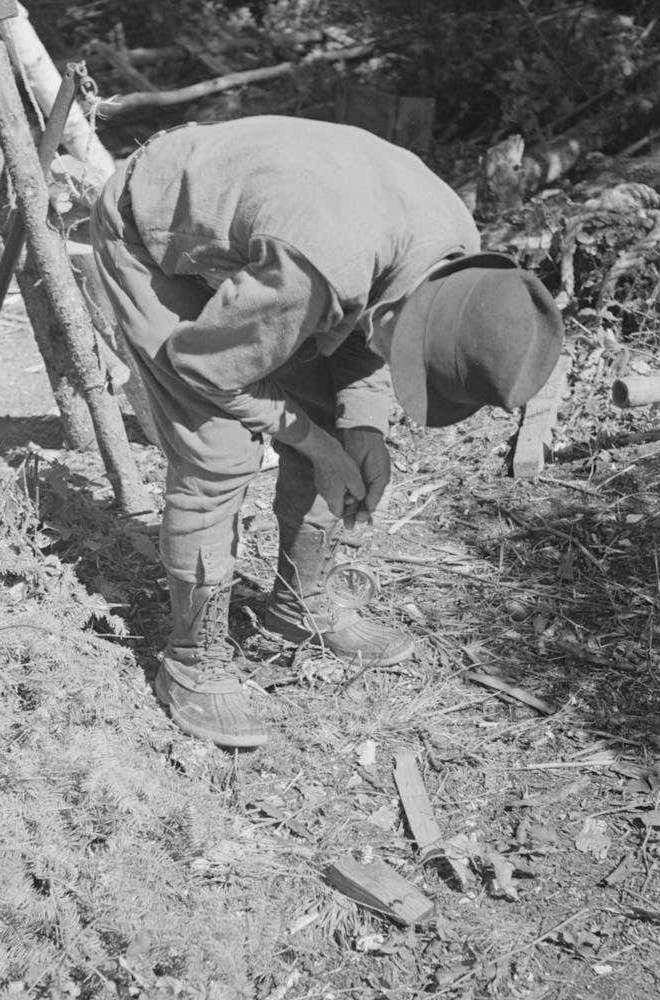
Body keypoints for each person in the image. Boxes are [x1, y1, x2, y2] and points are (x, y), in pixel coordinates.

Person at [91, 116, 563, 749]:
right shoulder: (318, 266)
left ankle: (298, 602)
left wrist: (360, 430)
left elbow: (373, 321)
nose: (399, 369)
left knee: (335, 427)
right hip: (153, 232)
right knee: (220, 454)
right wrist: (312, 440)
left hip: (290, 245)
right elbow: (209, 370)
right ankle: (192, 661)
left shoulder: (453, 250)